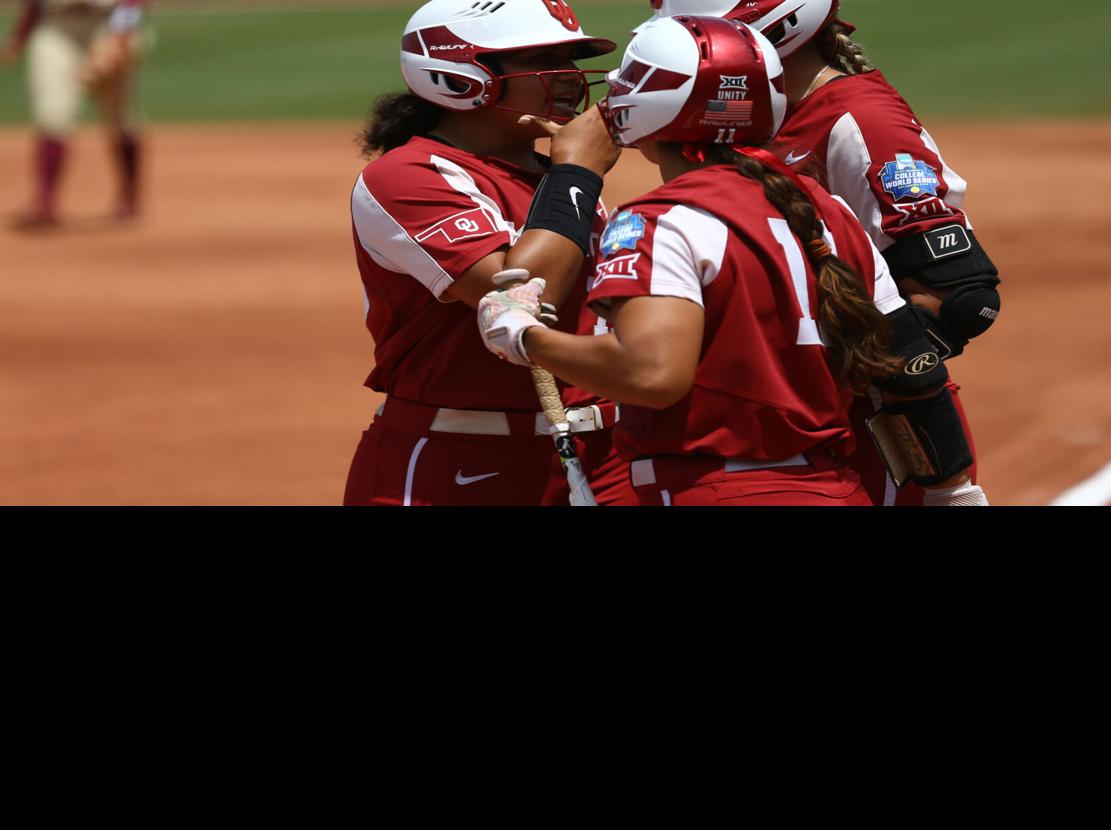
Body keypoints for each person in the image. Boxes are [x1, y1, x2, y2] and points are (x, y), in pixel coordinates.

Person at [475, 14, 901, 506]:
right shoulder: (825, 210)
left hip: (710, 490)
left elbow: (651, 374)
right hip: (836, 489)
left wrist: (526, 336)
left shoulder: (659, 220)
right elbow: (904, 359)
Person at [639, 0, 998, 507]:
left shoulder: (860, 118)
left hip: (876, 424)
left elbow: (958, 295)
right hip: (795, 418)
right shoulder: (756, 117)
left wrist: (834, 376)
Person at [342, 0, 633, 506]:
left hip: (596, 455)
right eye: (541, 59)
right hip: (460, 464)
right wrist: (578, 173)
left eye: (570, 58)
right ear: (458, 77)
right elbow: (522, 295)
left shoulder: (555, 177)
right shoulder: (409, 176)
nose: (568, 77)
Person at [3, 0, 148, 228]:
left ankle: (129, 196)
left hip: (107, 25)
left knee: (120, 116)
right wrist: (20, 35)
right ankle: (45, 201)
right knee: (52, 115)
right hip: (56, 26)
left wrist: (120, 34)